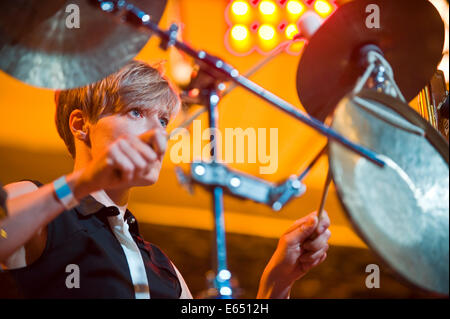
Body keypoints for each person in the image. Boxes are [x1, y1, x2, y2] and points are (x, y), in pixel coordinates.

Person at [0, 60, 331, 299]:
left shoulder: (161, 265)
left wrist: (277, 282)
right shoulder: (41, 204)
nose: (158, 133)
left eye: (163, 120)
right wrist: (81, 184)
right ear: (80, 124)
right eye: (136, 112)